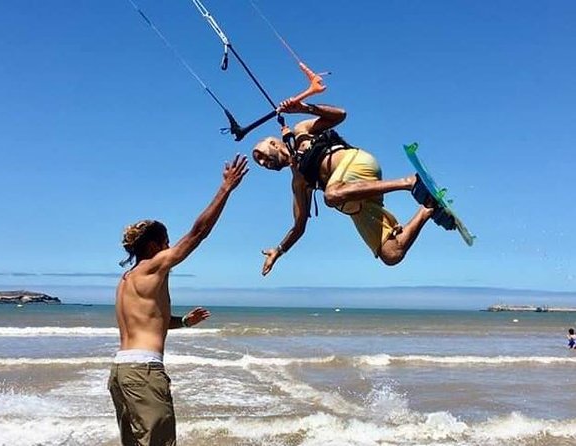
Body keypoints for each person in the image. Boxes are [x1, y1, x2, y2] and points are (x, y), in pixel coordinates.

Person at [108, 154, 248, 446]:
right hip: (144, 373)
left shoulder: (126, 282)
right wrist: (226, 189)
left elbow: (151, 321)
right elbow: (198, 233)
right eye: (167, 243)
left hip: (121, 372)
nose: (171, 248)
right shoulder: (153, 266)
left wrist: (183, 322)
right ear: (152, 246)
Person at [251, 99, 455, 275]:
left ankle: (409, 182)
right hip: (355, 199)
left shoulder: (300, 132)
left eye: (260, 155)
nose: (262, 163)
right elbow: (299, 226)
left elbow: (340, 115)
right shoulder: (299, 182)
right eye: (259, 163)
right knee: (391, 254)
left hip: (357, 164)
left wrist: (303, 108)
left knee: (331, 195)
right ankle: (427, 209)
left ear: (274, 143)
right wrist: (279, 250)